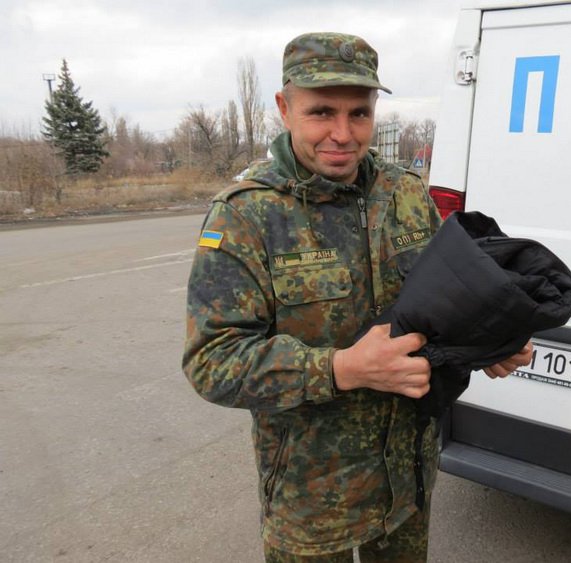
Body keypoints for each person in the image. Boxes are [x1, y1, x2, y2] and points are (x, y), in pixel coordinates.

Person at [182, 31, 532, 562]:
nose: (342, 134)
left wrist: (486, 343)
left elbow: (442, 304)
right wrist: (341, 368)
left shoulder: (405, 192)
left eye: (359, 114)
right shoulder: (246, 214)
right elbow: (212, 362)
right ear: (285, 108)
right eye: (322, 112)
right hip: (312, 499)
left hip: (407, 483)